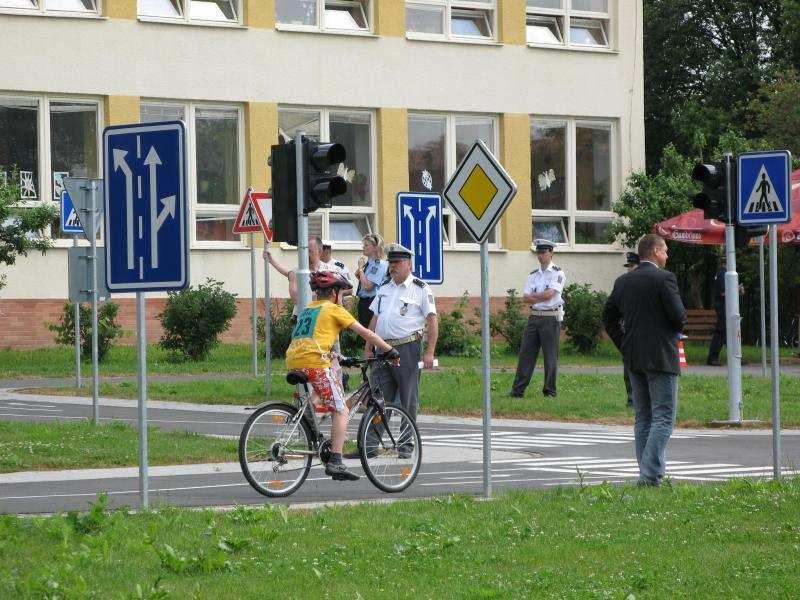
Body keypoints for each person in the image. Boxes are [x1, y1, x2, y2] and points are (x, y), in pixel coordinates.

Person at [285, 270, 399, 481]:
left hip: (294, 359)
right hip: (315, 363)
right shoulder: (334, 309)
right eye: (343, 295)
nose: (343, 300)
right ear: (335, 293)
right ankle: (336, 461)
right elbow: (365, 332)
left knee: (320, 397)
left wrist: (340, 356)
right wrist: (388, 350)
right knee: (341, 409)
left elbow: (314, 338)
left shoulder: (309, 309)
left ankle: (311, 427)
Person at [602, 234, 686, 487]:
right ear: (656, 252)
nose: (667, 255)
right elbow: (678, 316)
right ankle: (649, 476)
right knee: (663, 417)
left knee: (644, 417)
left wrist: (624, 344)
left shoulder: (624, 281)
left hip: (634, 358)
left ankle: (649, 474)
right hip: (661, 356)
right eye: (666, 250)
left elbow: (608, 317)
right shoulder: (665, 279)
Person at [364, 243, 438, 427]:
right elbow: (375, 319)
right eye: (391, 263)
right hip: (382, 349)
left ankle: (406, 443)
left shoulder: (420, 288)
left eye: (397, 262)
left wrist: (430, 352)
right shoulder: (384, 288)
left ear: (409, 264)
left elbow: (432, 320)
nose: (393, 266)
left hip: (407, 348)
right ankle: (370, 445)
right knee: (378, 398)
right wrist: (368, 346)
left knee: (408, 398)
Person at [509, 239, 566, 398]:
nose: (540, 256)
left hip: (550, 318)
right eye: (538, 253)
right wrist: (540, 297)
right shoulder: (533, 275)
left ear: (551, 252)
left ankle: (549, 391)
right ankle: (518, 390)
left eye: (543, 252)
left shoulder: (557, 273)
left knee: (550, 356)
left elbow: (550, 295)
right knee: (526, 354)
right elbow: (525, 299)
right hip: (534, 318)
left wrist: (535, 297)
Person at [354, 234, 388, 328]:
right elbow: (358, 276)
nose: (363, 247)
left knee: (370, 334)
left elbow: (368, 286)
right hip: (364, 302)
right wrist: (361, 269)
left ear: (375, 248)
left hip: (371, 302)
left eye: (366, 245)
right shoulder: (369, 263)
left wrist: (361, 269)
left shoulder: (378, 265)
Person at [621, 251, 640, 407]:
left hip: (644, 332)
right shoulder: (623, 282)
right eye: (628, 266)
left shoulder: (647, 282)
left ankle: (641, 398)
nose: (629, 269)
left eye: (632, 266)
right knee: (628, 368)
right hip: (627, 331)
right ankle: (631, 398)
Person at [707, 259, 727, 366]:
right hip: (723, 307)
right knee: (720, 332)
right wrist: (736, 289)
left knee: (726, 333)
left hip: (722, 307)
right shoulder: (723, 274)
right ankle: (712, 357)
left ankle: (735, 357)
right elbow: (723, 293)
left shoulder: (721, 273)